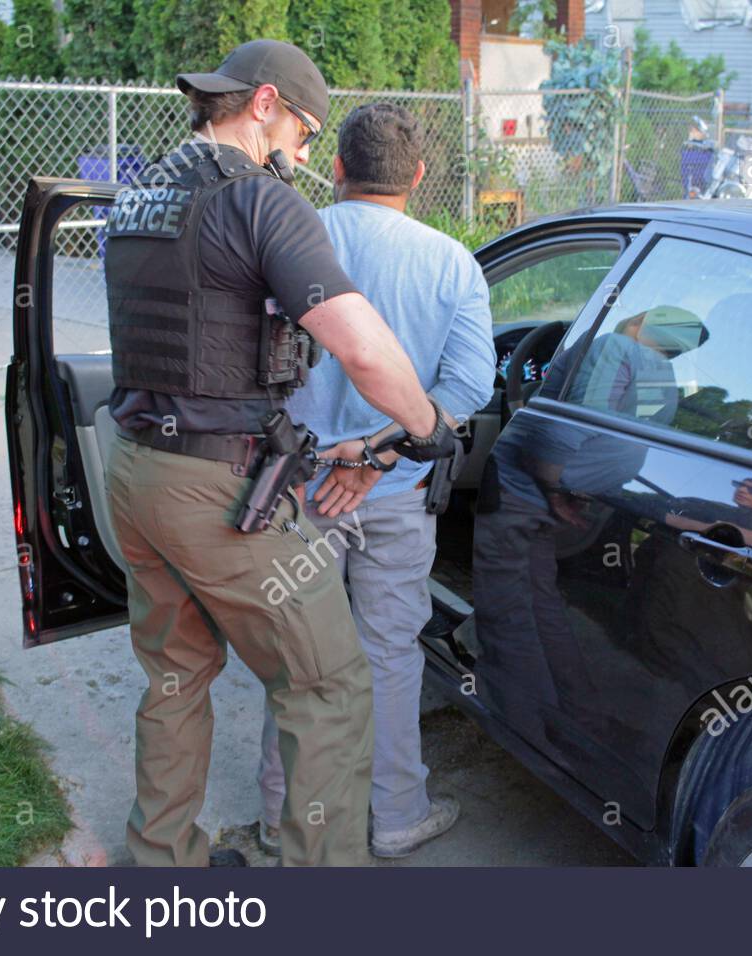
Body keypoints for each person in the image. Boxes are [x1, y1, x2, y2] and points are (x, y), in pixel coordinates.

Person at [101, 40, 454, 867]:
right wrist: (430, 427)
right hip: (219, 490)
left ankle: (164, 866)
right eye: (301, 129)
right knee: (328, 686)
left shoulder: (142, 193)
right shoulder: (259, 202)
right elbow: (362, 349)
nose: (304, 153)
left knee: (176, 679)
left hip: (135, 471)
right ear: (263, 103)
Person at [254, 102, 495, 859]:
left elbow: (247, 373)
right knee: (392, 655)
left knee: (295, 659)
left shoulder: (288, 240)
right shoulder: (452, 262)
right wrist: (385, 452)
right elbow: (469, 386)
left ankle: (278, 817)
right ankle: (396, 815)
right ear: (418, 176)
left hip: (296, 493)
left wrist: (339, 454)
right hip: (397, 495)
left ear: (335, 169)